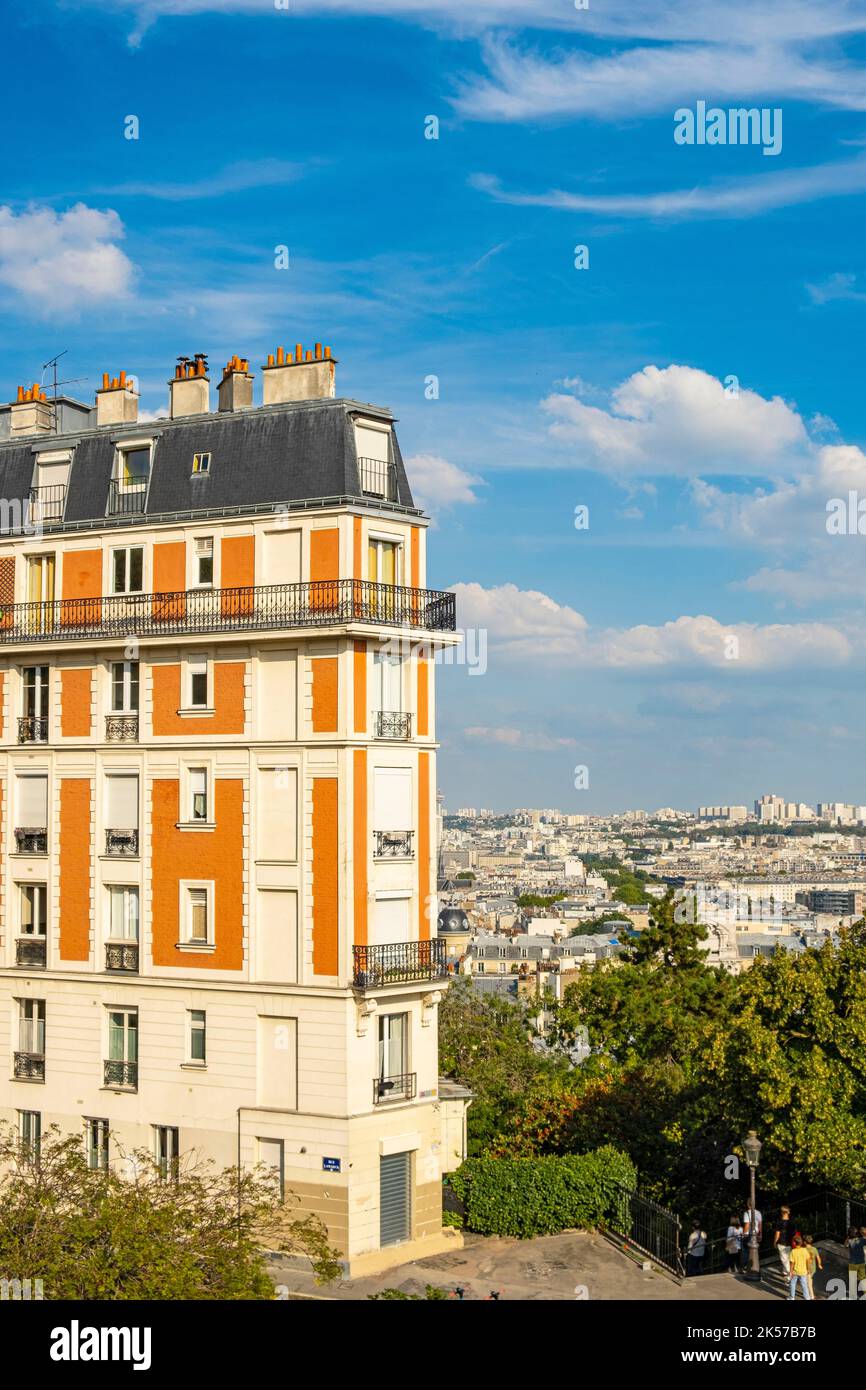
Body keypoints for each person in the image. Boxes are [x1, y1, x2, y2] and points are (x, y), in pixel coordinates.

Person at [774, 1206, 798, 1278]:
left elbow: (777, 1234)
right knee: (787, 1258)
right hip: (789, 1242)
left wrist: (775, 1242)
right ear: (788, 1213)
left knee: (784, 1259)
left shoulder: (779, 1222)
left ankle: (790, 1275)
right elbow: (794, 1234)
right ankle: (785, 1272)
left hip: (781, 1242)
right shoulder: (792, 1222)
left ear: (782, 1213)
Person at [788, 1235, 812, 1301]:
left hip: (795, 1272)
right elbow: (808, 1261)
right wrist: (809, 1269)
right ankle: (807, 1297)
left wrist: (790, 1271)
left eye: (793, 1242)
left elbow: (792, 1263)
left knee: (792, 1284)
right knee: (804, 1285)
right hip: (803, 1272)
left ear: (794, 1243)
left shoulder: (793, 1251)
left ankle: (792, 1297)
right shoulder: (805, 1250)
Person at [846, 1226, 866, 1299]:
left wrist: (848, 1237)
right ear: (856, 1233)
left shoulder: (849, 1241)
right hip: (861, 1263)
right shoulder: (861, 1240)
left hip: (852, 1263)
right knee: (863, 1279)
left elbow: (845, 1245)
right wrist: (864, 1234)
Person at [741, 1205, 762, 1270]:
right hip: (756, 1234)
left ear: (748, 1204)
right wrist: (760, 1235)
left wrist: (743, 1233)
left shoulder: (747, 1213)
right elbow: (760, 1225)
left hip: (748, 1235)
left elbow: (747, 1225)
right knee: (754, 1251)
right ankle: (753, 1266)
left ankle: (745, 1267)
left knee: (745, 1251)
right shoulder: (758, 1212)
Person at [804, 1235, 822, 1301]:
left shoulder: (803, 1250)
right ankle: (811, 1295)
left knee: (808, 1283)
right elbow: (818, 1258)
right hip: (813, 1269)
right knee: (809, 1281)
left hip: (806, 1269)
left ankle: (811, 1297)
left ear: (804, 1242)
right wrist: (819, 1264)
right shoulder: (814, 1249)